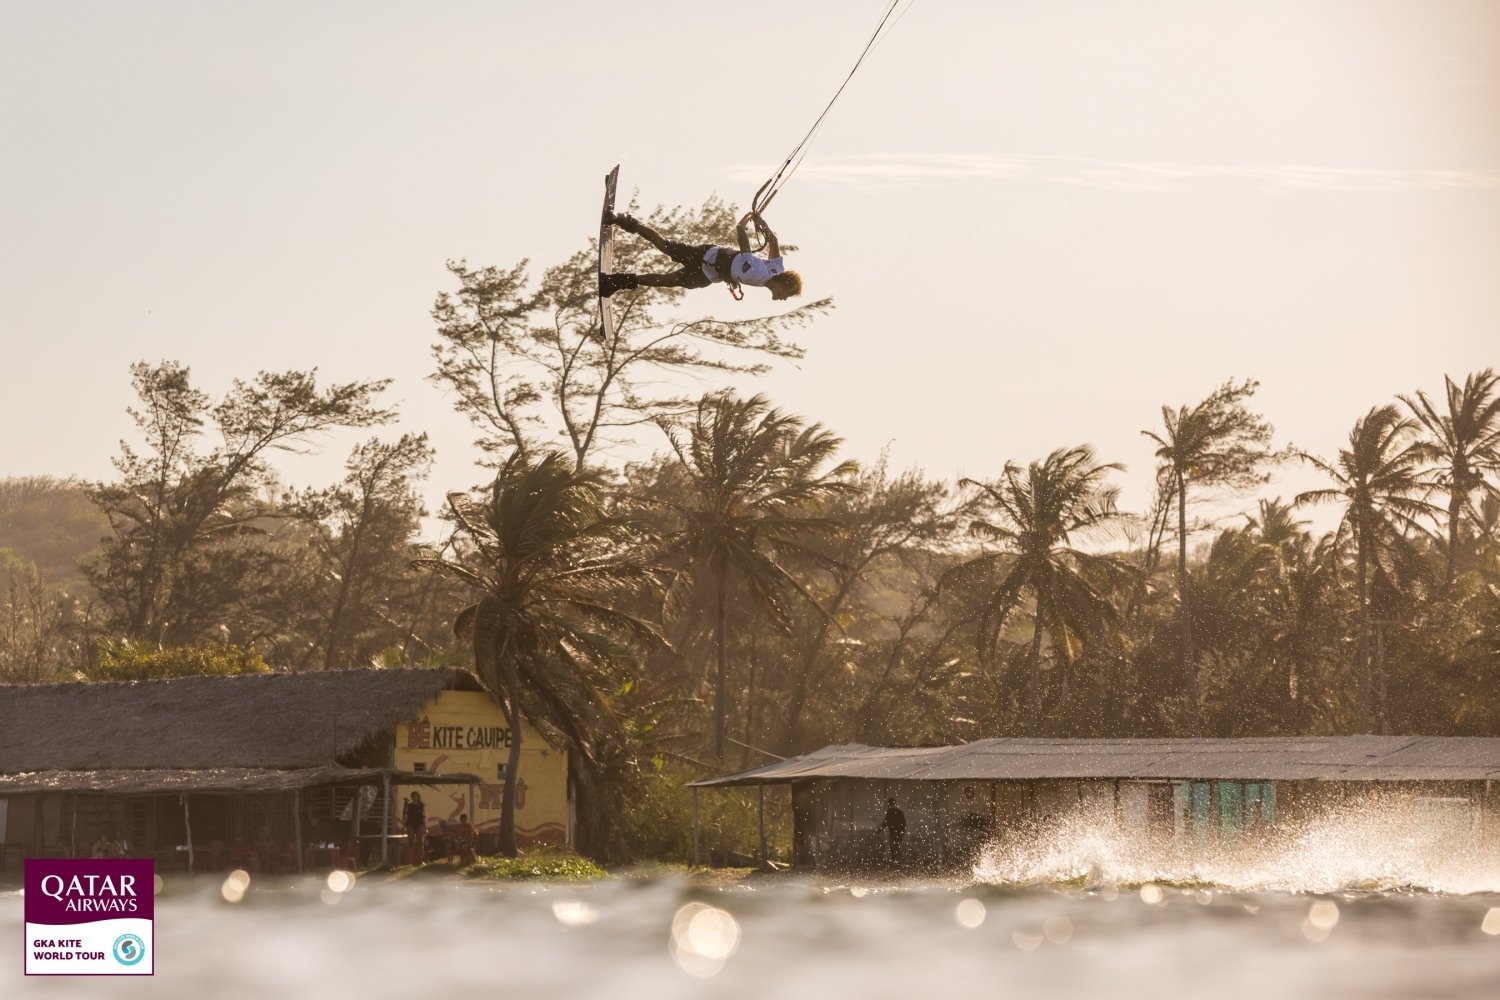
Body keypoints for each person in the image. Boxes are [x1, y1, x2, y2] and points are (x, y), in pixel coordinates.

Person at [599, 208, 803, 301]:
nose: (783, 300)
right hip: (707, 256)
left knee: (667, 281)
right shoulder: (757, 273)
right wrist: (742, 226)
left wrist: (761, 224)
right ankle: (619, 219)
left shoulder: (777, 269)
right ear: (782, 285)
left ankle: (616, 281)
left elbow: (773, 242)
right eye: (786, 295)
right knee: (665, 246)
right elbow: (744, 246)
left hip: (708, 276)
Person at [402, 791, 427, 865]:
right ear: (411, 797)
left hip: (419, 824)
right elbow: (405, 815)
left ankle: (421, 860)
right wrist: (404, 825)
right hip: (410, 824)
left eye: (416, 796)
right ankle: (409, 861)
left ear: (418, 797)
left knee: (420, 843)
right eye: (413, 797)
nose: (415, 798)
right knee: (410, 843)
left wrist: (425, 826)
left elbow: (424, 816)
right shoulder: (409, 806)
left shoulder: (421, 806)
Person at [877, 798, 906, 862]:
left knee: (893, 846)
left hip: (893, 831)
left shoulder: (890, 811)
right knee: (896, 845)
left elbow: (885, 822)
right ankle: (898, 860)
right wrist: (902, 832)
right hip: (900, 831)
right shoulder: (900, 812)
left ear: (889, 803)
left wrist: (878, 831)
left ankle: (894, 860)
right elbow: (904, 824)